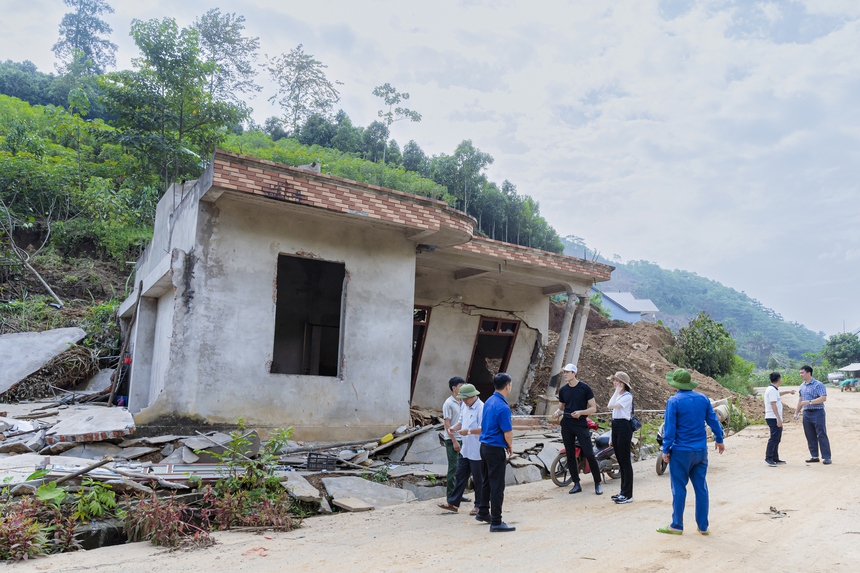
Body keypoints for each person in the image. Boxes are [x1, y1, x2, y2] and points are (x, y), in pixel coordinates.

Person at [657, 368, 725, 536]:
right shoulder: (703, 398)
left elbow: (670, 429)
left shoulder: (674, 401)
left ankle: (677, 525)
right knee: (701, 487)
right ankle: (703, 526)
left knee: (679, 488)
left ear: (676, 384)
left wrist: (665, 449)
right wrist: (719, 439)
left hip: (680, 452)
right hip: (700, 451)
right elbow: (713, 420)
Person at [552, 363, 602, 495]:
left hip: (580, 424)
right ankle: (576, 483)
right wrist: (557, 413)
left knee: (589, 454)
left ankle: (597, 483)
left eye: (568, 372)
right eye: (564, 372)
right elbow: (561, 407)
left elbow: (593, 408)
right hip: (567, 425)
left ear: (574, 373)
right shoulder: (563, 390)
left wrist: (581, 412)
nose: (565, 374)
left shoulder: (585, 388)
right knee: (570, 455)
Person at [476, 372, 515, 532]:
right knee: (497, 485)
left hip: (484, 446)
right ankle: (497, 521)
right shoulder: (503, 407)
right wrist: (509, 445)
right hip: (494, 448)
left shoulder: (489, 401)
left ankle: (483, 511)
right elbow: (507, 432)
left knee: (486, 481)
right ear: (507, 386)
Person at [437, 384, 484, 515]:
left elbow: (483, 429)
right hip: (466, 449)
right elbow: (461, 422)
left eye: (465, 399)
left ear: (473, 396)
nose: (463, 401)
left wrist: (468, 431)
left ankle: (479, 505)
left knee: (478, 479)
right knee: (460, 475)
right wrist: (454, 428)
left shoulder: (481, 408)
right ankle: (453, 502)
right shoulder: (464, 405)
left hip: (477, 450)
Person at [794, 365, 831, 464]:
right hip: (806, 413)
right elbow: (800, 400)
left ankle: (826, 457)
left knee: (821, 434)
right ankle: (814, 456)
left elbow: (823, 398)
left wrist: (810, 402)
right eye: (800, 373)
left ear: (809, 373)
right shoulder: (802, 386)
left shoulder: (818, 385)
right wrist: (797, 412)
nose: (801, 374)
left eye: (802, 373)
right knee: (810, 435)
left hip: (817, 412)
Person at [607, 371, 634, 504]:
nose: (615, 383)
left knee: (625, 462)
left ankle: (628, 494)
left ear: (623, 383)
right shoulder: (618, 395)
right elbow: (613, 415)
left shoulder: (627, 396)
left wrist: (616, 391)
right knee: (620, 462)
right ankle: (623, 491)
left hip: (624, 427)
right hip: (616, 426)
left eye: (617, 381)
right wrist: (611, 437)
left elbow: (610, 405)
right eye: (614, 381)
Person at [764, 372, 795, 467]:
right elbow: (773, 404)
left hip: (773, 417)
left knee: (777, 438)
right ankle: (769, 458)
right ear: (779, 380)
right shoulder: (772, 390)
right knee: (774, 438)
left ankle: (775, 457)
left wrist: (788, 392)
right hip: (773, 417)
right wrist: (778, 418)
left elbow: (778, 394)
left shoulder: (773, 389)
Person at [441, 376, 464, 501]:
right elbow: (447, 424)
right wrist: (454, 440)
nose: (462, 388)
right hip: (452, 439)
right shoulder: (448, 403)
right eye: (461, 386)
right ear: (454, 388)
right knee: (453, 468)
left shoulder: (464, 401)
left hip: (463, 438)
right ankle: (451, 496)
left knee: (462, 468)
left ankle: (458, 494)